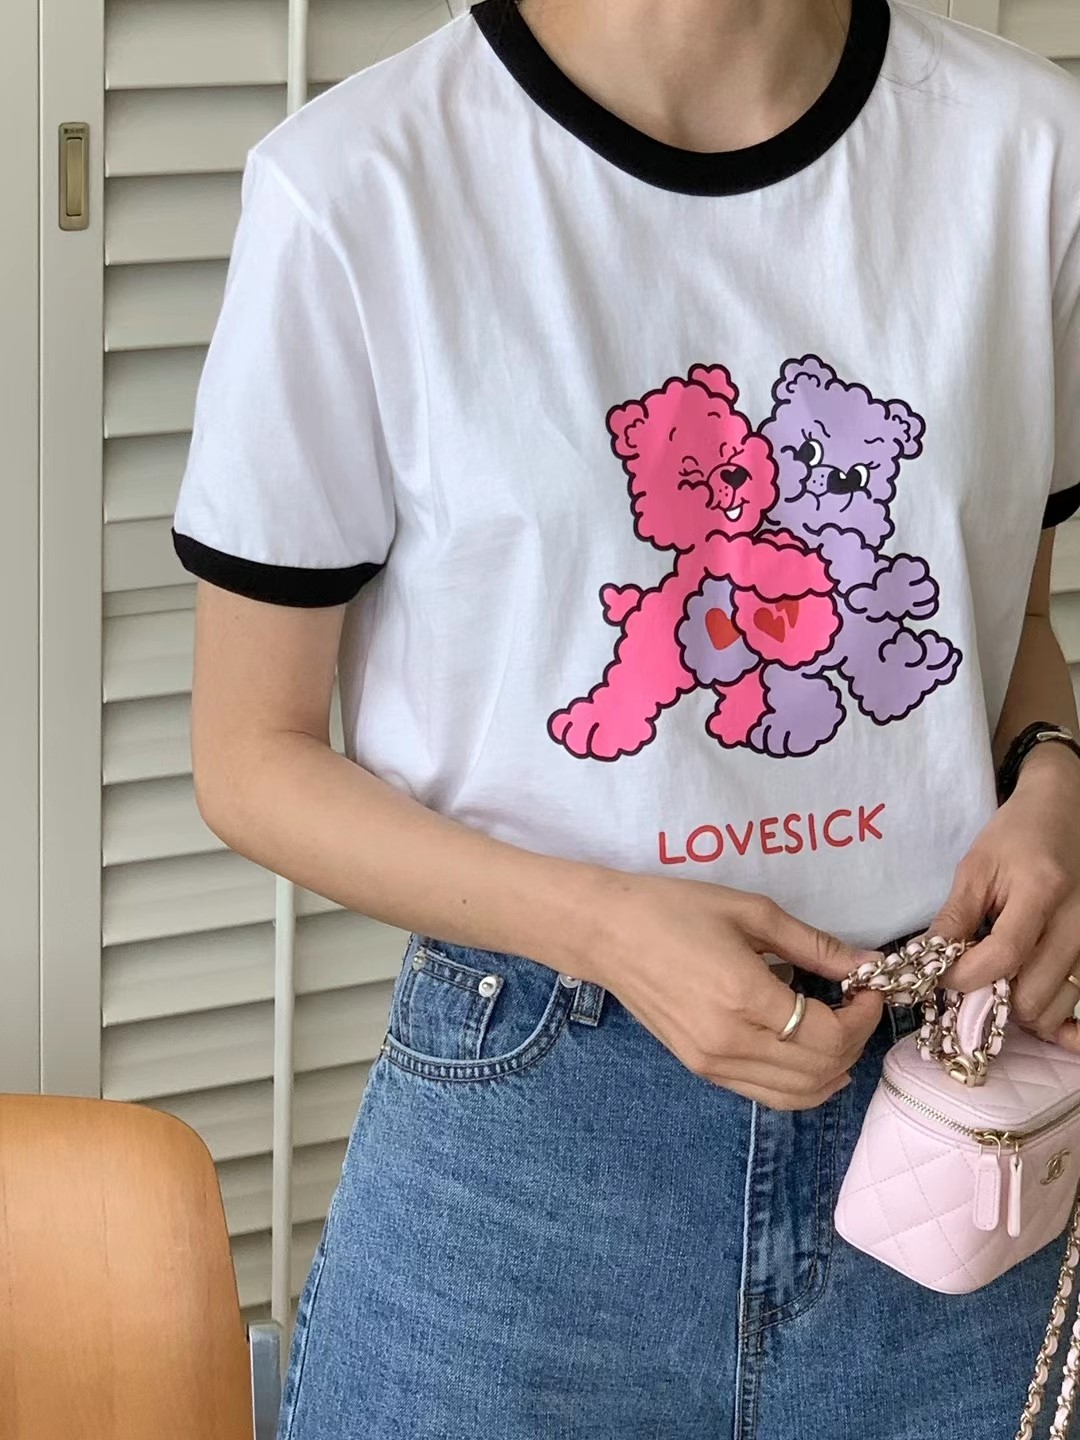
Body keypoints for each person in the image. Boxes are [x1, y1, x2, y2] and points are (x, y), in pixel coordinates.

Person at [170, 0, 1080, 1433]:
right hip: (529, 1141)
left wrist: (1055, 788)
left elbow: (1005, 629)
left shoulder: (1028, 152)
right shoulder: (358, 186)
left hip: (950, 1112)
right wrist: (601, 927)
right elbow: (249, 757)